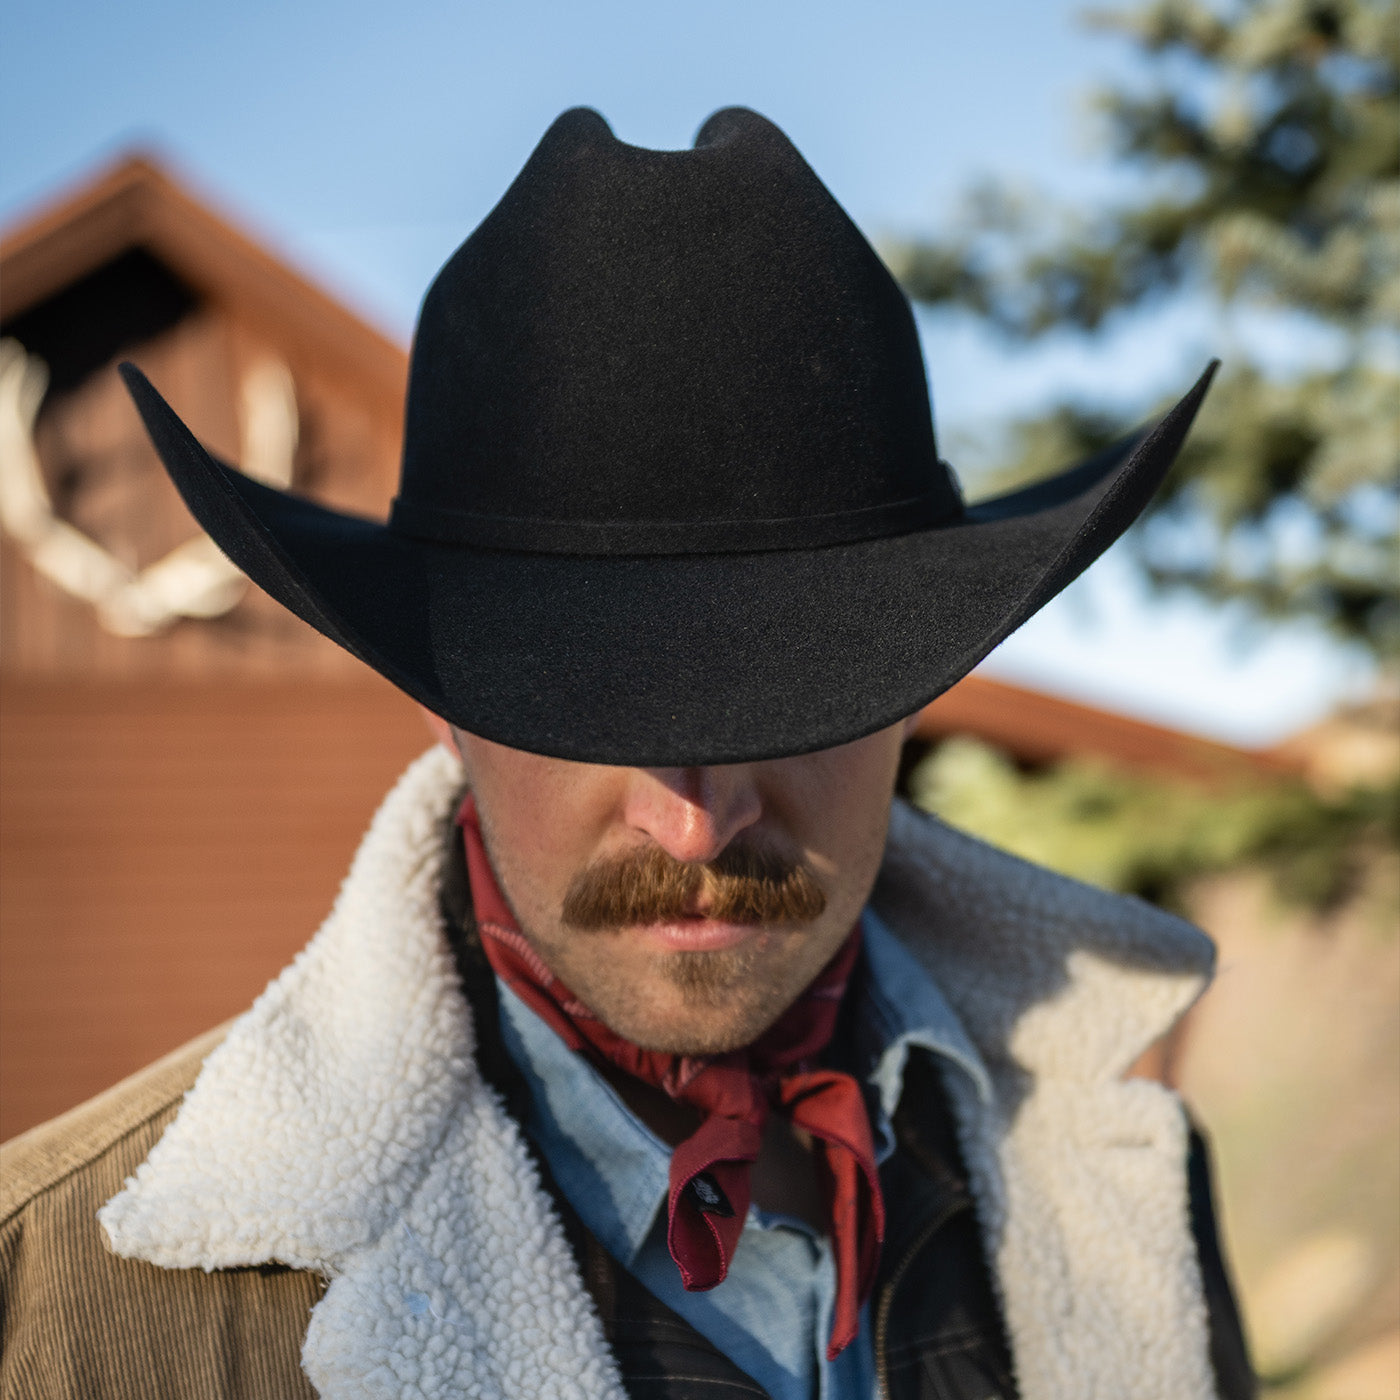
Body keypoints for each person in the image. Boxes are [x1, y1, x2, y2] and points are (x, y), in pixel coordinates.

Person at [0, 108, 1254, 1400]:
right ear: (443, 701)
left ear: (917, 686)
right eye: (583, 704)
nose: (697, 824)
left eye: (799, 689)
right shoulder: (60, 1321)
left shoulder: (1127, 1194)